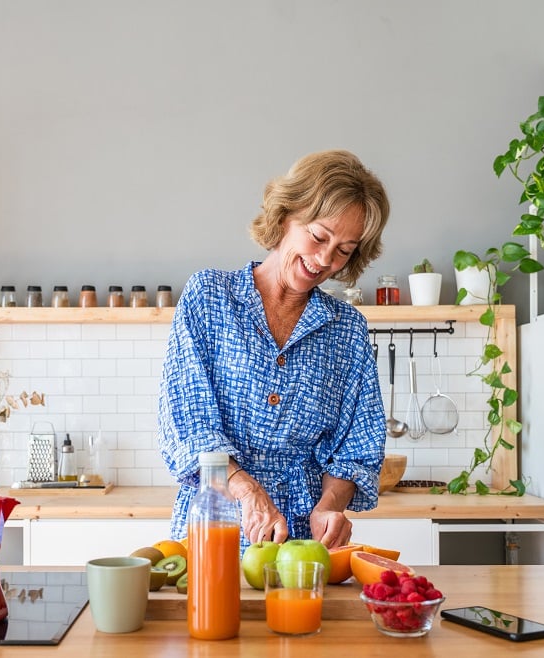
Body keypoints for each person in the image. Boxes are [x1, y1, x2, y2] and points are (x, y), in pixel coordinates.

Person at [158, 149, 390, 551]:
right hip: (217, 528)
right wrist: (248, 492)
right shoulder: (210, 298)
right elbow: (188, 422)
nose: (324, 260)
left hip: (305, 546)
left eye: (344, 250)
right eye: (318, 236)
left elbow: (358, 444)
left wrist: (330, 507)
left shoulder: (346, 329)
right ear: (286, 215)